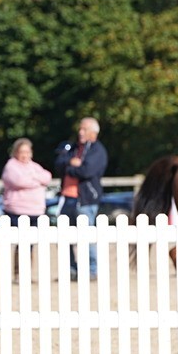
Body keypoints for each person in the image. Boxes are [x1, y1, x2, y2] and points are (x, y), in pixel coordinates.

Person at [53, 117, 108, 278]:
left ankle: (92, 270)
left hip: (85, 200)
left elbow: (86, 171)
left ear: (93, 132)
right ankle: (71, 269)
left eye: (84, 129)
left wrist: (70, 168)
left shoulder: (97, 151)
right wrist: (71, 163)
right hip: (67, 197)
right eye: (80, 129)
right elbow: (59, 163)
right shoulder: (74, 148)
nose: (80, 132)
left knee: (86, 237)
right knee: (63, 236)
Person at [2, 138, 51, 225]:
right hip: (17, 211)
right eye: (22, 152)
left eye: (27, 152)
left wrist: (33, 177)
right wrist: (38, 182)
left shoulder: (34, 166)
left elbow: (47, 177)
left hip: (37, 211)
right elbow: (19, 181)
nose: (25, 155)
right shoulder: (11, 166)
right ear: (16, 152)